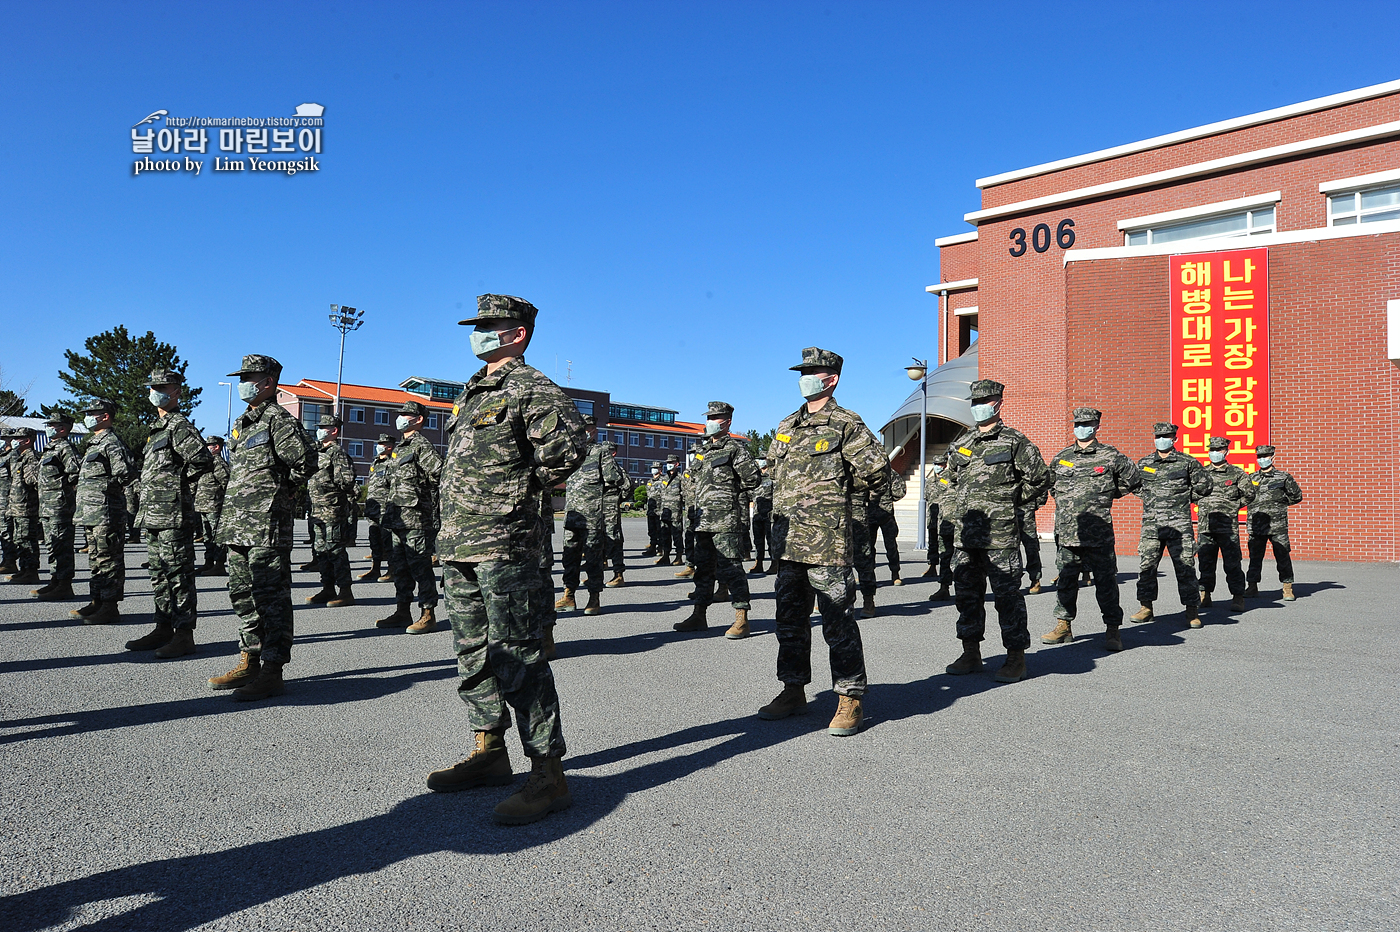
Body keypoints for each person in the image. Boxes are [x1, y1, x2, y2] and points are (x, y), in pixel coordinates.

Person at [424, 293, 590, 826]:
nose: (478, 333)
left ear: (516, 333)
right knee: (473, 653)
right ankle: (489, 750)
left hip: (506, 545)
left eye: (488, 325)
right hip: (460, 544)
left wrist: (517, 499)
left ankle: (547, 774)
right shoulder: (472, 394)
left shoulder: (531, 389)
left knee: (518, 656)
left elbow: (568, 450)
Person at [757, 348, 887, 735]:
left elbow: (877, 473)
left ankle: (850, 698)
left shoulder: (847, 423)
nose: (804, 378)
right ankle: (793, 690)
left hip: (827, 545)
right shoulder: (786, 425)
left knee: (837, 622)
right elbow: (773, 473)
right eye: (802, 372)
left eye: (812, 372)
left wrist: (840, 508)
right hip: (788, 543)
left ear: (831, 378)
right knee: (790, 621)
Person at [208, 354, 316, 699]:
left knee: (271, 599)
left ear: (268, 382)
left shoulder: (278, 420)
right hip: (238, 525)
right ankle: (249, 660)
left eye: (249, 377)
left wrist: (279, 495)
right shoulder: (245, 421)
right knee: (243, 596)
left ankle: (272, 670)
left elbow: (305, 462)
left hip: (266, 525)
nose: (243, 383)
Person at [943, 379, 1051, 684]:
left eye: (984, 402)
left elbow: (1041, 478)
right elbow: (947, 481)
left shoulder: (1014, 442)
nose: (978, 408)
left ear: (998, 404)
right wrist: (952, 511)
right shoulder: (961, 443)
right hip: (966, 536)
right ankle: (971, 652)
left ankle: (1015, 657)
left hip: (1000, 535)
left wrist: (1012, 501)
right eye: (974, 402)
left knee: (1007, 595)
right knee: (967, 594)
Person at [127, 370, 214, 657]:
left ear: (176, 391)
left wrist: (177, 484)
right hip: (152, 513)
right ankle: (163, 627)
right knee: (159, 574)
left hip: (173, 514)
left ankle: (183, 634)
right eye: (152, 387)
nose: (155, 391)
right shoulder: (157, 428)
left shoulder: (179, 426)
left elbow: (202, 460)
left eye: (162, 387)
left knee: (178, 573)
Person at [1040, 408, 1141, 651]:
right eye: (1078, 423)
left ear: (1097, 426)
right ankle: (1063, 626)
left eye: (1087, 423)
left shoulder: (1110, 456)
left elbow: (1133, 479)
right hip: (1067, 532)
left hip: (1098, 533)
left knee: (1106, 583)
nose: (1081, 428)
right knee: (1066, 581)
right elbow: (1051, 486)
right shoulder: (1062, 456)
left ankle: (1112, 630)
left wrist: (1107, 496)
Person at [674, 401, 761, 638]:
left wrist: (729, 494)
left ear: (727, 422)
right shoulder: (703, 452)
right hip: (702, 522)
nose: (710, 422)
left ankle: (741, 619)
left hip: (725, 521)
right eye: (709, 417)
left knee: (732, 570)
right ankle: (699, 616)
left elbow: (753, 480)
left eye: (715, 418)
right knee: (703, 570)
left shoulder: (735, 449)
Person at [1129, 423, 1210, 627]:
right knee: (1147, 567)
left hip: (1179, 525)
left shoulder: (1187, 462)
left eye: (1166, 436)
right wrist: (1152, 499)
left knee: (1186, 568)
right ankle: (1146, 608)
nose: (1161, 439)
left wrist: (1182, 499)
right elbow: (1136, 487)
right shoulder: (1145, 462)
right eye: (1158, 436)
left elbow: (1205, 486)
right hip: (1151, 526)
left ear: (1175, 439)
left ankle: (1192, 611)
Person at [376, 400, 443, 633]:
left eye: (406, 414)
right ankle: (402, 611)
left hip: (416, 519)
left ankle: (428, 614)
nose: (401, 417)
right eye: (400, 413)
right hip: (397, 518)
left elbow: (438, 474)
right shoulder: (400, 448)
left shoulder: (421, 445)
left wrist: (428, 502)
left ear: (418, 419)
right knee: (400, 568)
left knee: (420, 567)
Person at [71, 399, 133, 625]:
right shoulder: (94, 443)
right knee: (95, 559)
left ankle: (110, 606)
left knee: (109, 559)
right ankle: (96, 601)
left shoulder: (111, 443)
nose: (87, 416)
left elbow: (125, 473)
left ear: (105, 416)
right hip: (91, 513)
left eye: (92, 413)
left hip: (106, 513)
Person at [557, 416, 624, 615]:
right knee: (569, 557)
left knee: (593, 558)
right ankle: (568, 595)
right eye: (581, 428)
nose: (585, 432)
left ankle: (594, 597)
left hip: (593, 516)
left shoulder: (601, 452)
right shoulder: (570, 453)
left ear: (595, 430)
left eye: (589, 428)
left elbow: (615, 479)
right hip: (572, 516)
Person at [303, 414, 358, 608]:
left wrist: (332, 489)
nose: (320, 430)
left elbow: (348, 480)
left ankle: (345, 591)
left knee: (335, 550)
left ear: (333, 431)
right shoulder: (318, 452)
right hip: (317, 510)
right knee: (321, 550)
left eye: (324, 427)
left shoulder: (337, 453)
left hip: (332, 510)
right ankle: (327, 587)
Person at [1196, 436, 1256, 613]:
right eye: (1212, 450)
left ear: (1226, 452)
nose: (1214, 453)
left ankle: (1237, 597)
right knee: (1205, 562)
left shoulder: (1237, 474)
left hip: (1227, 528)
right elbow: (1193, 493)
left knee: (1232, 564)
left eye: (1218, 450)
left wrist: (1234, 506)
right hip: (1206, 526)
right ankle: (1205, 594)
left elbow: (1250, 494)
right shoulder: (1201, 473)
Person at [1245, 444, 1304, 601]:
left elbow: (1297, 495)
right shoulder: (1251, 478)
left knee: (1282, 555)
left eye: (1265, 457)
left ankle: (1287, 587)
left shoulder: (1283, 477)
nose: (1262, 460)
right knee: (1255, 557)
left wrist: (1281, 504)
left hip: (1277, 525)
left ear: (1272, 457)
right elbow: (1244, 497)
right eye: (1259, 457)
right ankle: (1252, 586)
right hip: (1256, 525)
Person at [33, 412, 81, 600]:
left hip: (59, 507)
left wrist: (64, 493)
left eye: (52, 425)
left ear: (62, 428)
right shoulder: (49, 448)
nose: (48, 428)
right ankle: (55, 580)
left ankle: (64, 585)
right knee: (52, 545)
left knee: (62, 545)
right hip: (46, 507)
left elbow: (75, 472)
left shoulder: (66, 448)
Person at [4, 429, 42, 584]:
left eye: (17, 438)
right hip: (17, 506)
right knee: (20, 540)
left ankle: (31, 572)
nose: (13, 441)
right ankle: (24, 570)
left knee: (27, 540)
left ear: (27, 440)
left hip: (27, 506)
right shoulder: (20, 457)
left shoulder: (31, 457)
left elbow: (34, 481)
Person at [359, 434, 394, 581]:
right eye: (378, 443)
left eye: (383, 443)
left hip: (385, 509)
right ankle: (375, 569)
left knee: (388, 541)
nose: (379, 446)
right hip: (373, 509)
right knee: (374, 540)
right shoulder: (375, 463)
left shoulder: (393, 463)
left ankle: (392, 570)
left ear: (389, 446)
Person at [195, 436, 231, 576]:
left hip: (215, 505)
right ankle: (208, 562)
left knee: (217, 536)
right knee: (207, 536)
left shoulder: (218, 463)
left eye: (209, 445)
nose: (206, 447)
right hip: (203, 505)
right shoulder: (206, 462)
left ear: (216, 447)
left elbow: (226, 482)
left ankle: (219, 564)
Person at [923, 453, 956, 600]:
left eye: (940, 464)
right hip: (937, 518)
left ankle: (959, 588)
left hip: (952, 520)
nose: (938, 466)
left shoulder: (952, 478)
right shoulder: (930, 481)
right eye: (936, 464)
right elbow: (927, 498)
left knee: (956, 555)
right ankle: (943, 585)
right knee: (942, 551)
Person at [868, 463, 906, 587]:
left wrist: (887, 500)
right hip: (869, 515)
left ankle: (895, 574)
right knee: (868, 548)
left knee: (891, 546)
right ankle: (868, 575)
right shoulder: (866, 472)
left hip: (886, 515)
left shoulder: (890, 473)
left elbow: (900, 491)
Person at [601, 442, 631, 586]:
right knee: (596, 540)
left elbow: (628, 486)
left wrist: (617, 499)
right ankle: (597, 574)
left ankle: (618, 574)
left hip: (610, 509)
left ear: (613, 453)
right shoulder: (598, 467)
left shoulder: (617, 469)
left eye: (607, 451)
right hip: (597, 507)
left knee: (614, 540)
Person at [1018, 484, 1048, 594]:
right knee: (1010, 549)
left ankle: (1035, 579)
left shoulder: (1026, 466)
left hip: (1026, 511)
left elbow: (1041, 482)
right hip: (1006, 511)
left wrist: (1036, 504)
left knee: (1031, 548)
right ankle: (1014, 582)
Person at [657, 456, 685, 566]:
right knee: (665, 534)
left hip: (675, 511)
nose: (669, 464)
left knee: (677, 534)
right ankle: (666, 556)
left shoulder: (681, 478)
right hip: (664, 511)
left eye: (671, 462)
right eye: (668, 462)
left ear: (677, 464)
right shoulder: (664, 478)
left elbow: (685, 493)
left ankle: (679, 556)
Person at [749, 458, 772, 574]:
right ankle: (759, 563)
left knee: (771, 540)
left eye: (762, 459)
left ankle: (774, 564)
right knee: (758, 541)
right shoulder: (756, 478)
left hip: (769, 514)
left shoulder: (772, 476)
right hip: (757, 514)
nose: (760, 462)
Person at [0, 433, 14, 575]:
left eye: (7, 439)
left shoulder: (14, 455)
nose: (4, 441)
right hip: (1, 499)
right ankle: (6, 560)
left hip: (8, 500)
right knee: (2, 532)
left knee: (7, 531)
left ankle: (10, 561)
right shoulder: (2, 455)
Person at [643, 463, 663, 557]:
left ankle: (660, 548)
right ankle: (652, 547)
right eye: (652, 468)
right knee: (651, 530)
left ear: (660, 469)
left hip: (659, 510)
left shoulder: (663, 480)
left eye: (655, 468)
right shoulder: (650, 481)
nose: (653, 470)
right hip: (651, 510)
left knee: (660, 530)